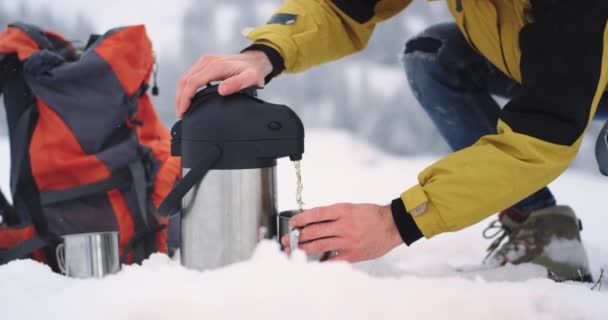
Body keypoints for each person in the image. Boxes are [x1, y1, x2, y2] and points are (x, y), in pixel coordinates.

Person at [176, 0, 608, 282]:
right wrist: (267, 52)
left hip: (583, 61)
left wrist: (398, 220)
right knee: (434, 57)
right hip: (542, 61)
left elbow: (542, 134)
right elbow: (339, 7)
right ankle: (541, 226)